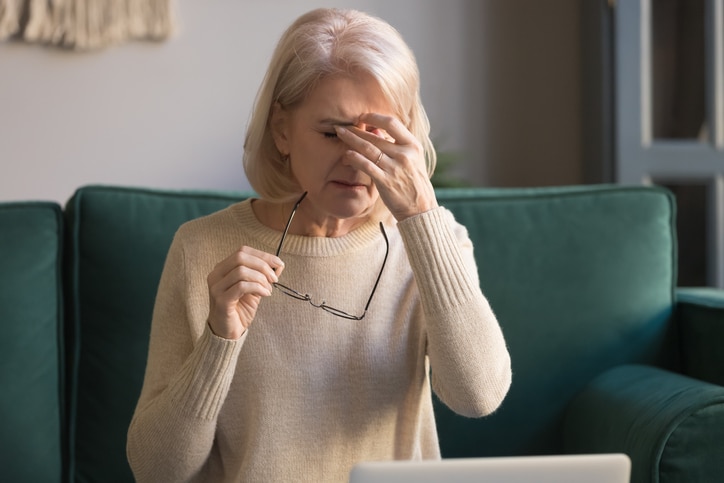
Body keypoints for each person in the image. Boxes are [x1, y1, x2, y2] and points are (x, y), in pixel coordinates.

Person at [126, 7, 511, 483]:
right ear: (282, 130)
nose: (357, 159)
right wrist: (219, 341)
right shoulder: (201, 247)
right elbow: (155, 471)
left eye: (379, 134)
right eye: (332, 133)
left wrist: (421, 219)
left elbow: (479, 396)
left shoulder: (435, 240)